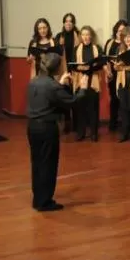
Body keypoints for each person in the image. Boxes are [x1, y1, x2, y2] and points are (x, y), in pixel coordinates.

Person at [26, 53, 85, 211]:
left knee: (37, 163)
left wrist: (60, 83)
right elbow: (72, 102)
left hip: (32, 127)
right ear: (57, 67)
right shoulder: (52, 86)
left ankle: (38, 198)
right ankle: (45, 202)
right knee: (48, 164)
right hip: (46, 128)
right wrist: (83, 88)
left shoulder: (34, 81)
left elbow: (49, 97)